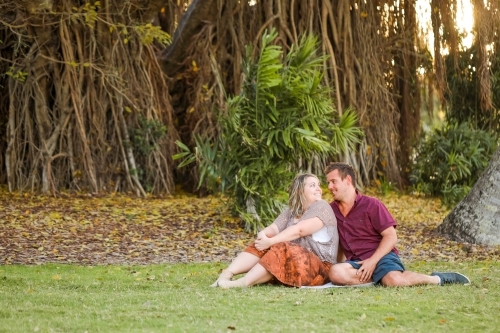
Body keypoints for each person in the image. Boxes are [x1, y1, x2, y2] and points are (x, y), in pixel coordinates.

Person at [325, 162, 471, 287]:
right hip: (356, 263)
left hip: (382, 257)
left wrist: (372, 262)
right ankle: (380, 278)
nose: (330, 187)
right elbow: (338, 244)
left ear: (348, 180)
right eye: (328, 183)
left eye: (333, 181)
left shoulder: (372, 205)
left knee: (395, 281)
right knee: (335, 273)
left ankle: (437, 278)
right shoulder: (331, 210)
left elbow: (391, 236)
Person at [211, 173, 339, 288]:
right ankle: (226, 274)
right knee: (263, 244)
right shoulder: (292, 211)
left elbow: (299, 230)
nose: (319, 189)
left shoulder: (322, 207)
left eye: (318, 185)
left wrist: (270, 241)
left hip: (320, 268)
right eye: (312, 185)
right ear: (300, 191)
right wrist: (263, 235)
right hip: (296, 262)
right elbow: (274, 228)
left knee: (280, 245)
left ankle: (243, 283)